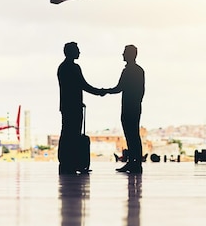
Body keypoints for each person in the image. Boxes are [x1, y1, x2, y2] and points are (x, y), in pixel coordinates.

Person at [57, 42, 103, 175]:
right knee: (73, 134)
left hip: (66, 106)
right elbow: (83, 85)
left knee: (66, 133)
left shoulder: (62, 67)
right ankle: (72, 162)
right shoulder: (73, 67)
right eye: (77, 50)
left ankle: (66, 162)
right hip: (74, 106)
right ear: (71, 52)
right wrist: (100, 92)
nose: (79, 52)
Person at [102, 45, 145, 174]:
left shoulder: (128, 71)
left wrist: (105, 91)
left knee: (130, 135)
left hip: (128, 106)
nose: (122, 54)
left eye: (125, 53)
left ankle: (133, 163)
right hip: (135, 106)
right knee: (134, 135)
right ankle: (135, 162)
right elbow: (142, 90)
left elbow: (119, 88)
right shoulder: (139, 70)